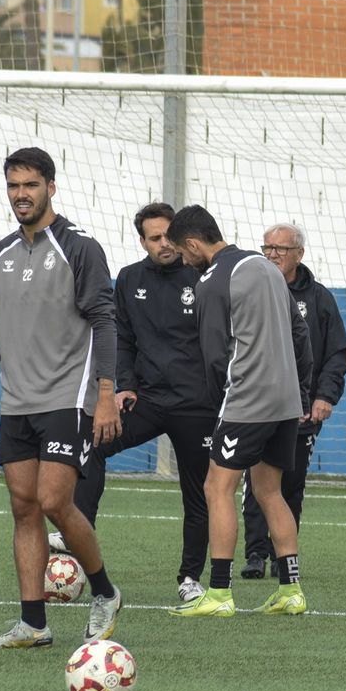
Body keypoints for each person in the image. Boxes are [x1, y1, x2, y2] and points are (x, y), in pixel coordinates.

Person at [0, 147, 124, 649]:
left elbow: (104, 321)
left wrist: (106, 393)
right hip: (17, 399)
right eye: (14, 185)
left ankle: (105, 592)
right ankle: (34, 624)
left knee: (54, 500)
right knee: (23, 507)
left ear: (51, 188)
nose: (21, 194)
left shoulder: (80, 247)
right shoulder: (0, 253)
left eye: (31, 185)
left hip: (67, 394)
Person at [49, 202, 217, 606]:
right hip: (147, 399)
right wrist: (123, 386)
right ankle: (79, 529)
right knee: (93, 443)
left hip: (197, 405)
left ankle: (190, 577)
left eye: (169, 236)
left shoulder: (203, 277)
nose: (164, 244)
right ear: (142, 242)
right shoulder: (128, 278)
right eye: (155, 238)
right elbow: (120, 337)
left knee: (198, 494)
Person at [163, 205, 310, 618]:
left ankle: (220, 593)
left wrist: (220, 406)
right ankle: (291, 590)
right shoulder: (267, 268)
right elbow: (300, 333)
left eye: (183, 253)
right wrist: (299, 392)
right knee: (269, 491)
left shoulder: (212, 281)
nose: (184, 261)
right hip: (285, 400)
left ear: (194, 244)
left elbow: (214, 355)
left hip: (246, 399)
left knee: (216, 488)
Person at [240, 222, 346, 580]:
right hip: (257, 405)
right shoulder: (251, 291)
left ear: (299, 254)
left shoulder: (319, 299)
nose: (272, 255)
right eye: (267, 248)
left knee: (291, 482)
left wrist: (324, 396)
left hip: (302, 410)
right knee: (256, 481)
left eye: (280, 249)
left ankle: (282, 555)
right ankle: (255, 553)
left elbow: (337, 353)